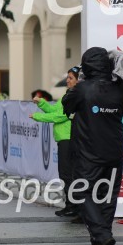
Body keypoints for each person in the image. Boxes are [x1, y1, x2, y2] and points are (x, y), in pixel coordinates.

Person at [62, 47, 123, 245]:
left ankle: (102, 236)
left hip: (88, 152)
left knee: (81, 192)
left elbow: (66, 106)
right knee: (107, 198)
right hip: (114, 152)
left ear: (87, 66)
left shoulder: (82, 89)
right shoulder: (120, 89)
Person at [31, 67, 78, 217]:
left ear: (78, 80)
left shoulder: (74, 96)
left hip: (68, 138)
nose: (67, 81)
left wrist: (38, 116)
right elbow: (55, 111)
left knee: (67, 174)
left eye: (71, 78)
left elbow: (60, 116)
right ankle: (70, 205)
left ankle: (74, 206)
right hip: (64, 138)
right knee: (66, 174)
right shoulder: (67, 94)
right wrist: (42, 103)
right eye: (68, 78)